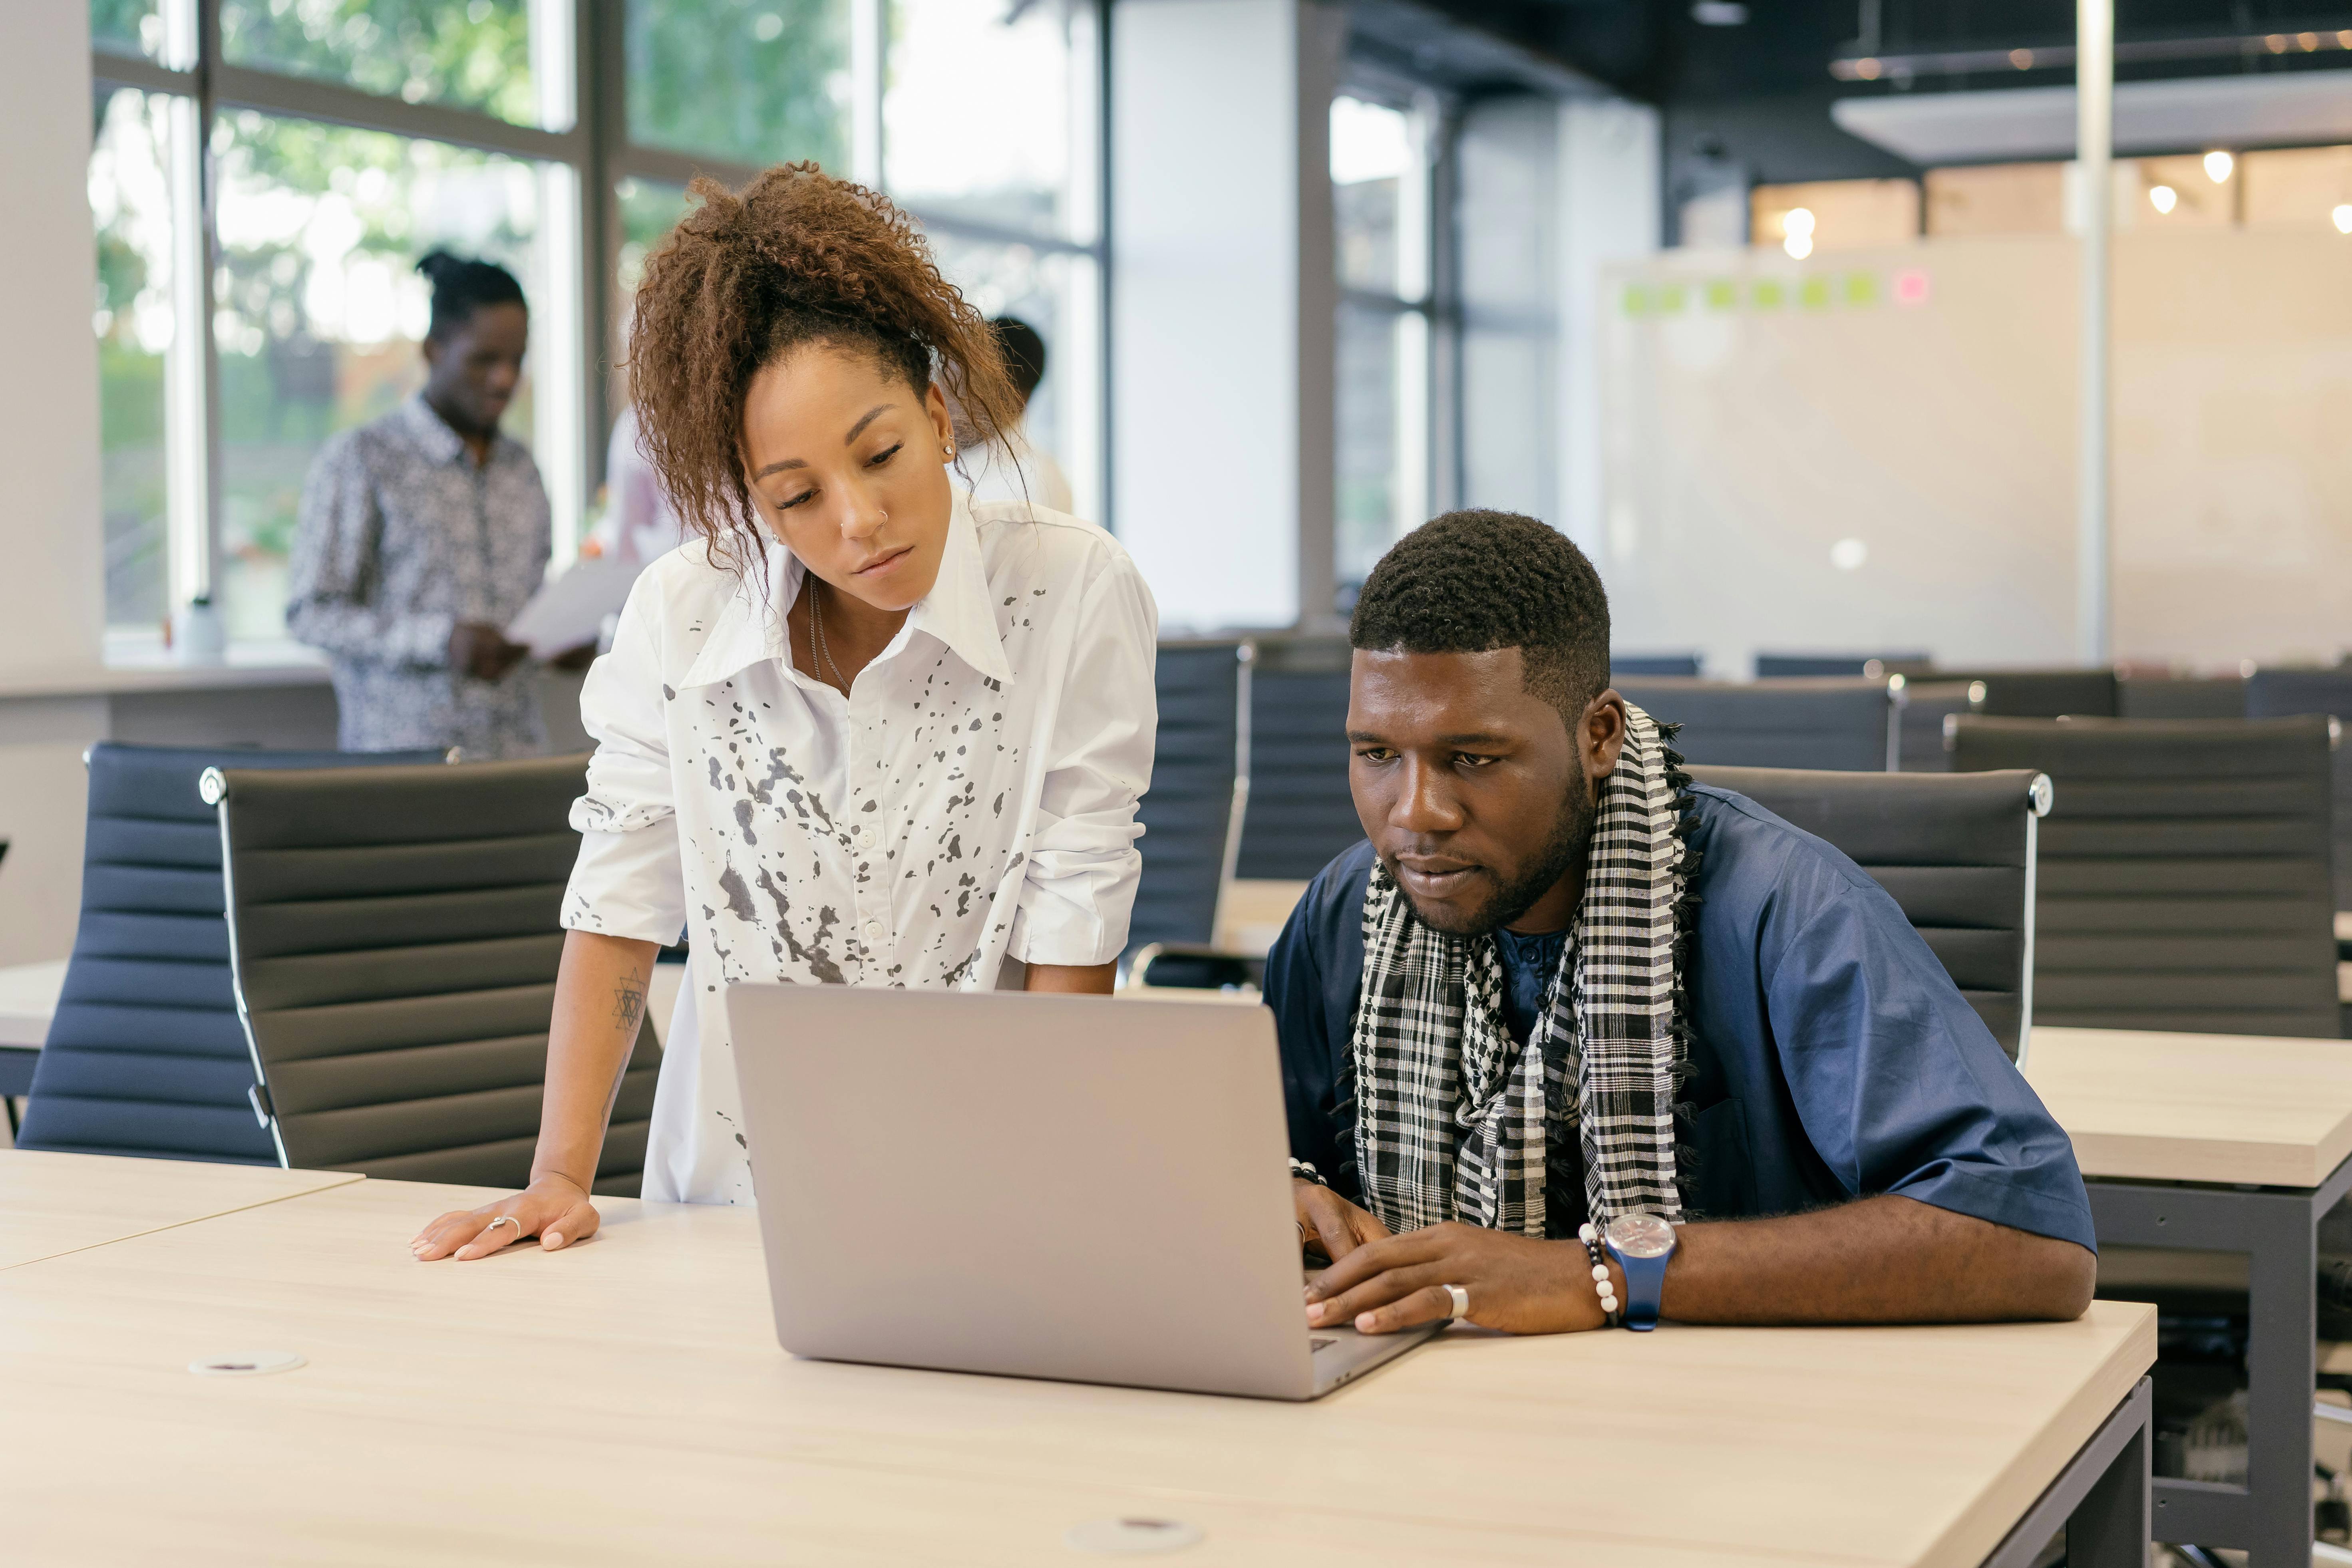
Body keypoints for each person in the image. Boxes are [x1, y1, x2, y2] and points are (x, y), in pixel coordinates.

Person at [411, 163, 1157, 1257]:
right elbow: (618, 905)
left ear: (939, 415)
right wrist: (559, 1174)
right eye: (796, 495)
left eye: (882, 453)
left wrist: (1038, 1206)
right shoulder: (681, 612)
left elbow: (1073, 919)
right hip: (721, 1222)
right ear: (744, 500)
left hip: (986, 1212)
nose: (860, 520)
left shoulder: (1070, 589)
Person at [1270, 510, 2097, 1337]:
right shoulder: (1348, 915)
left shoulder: (1787, 908)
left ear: (1598, 736)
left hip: (1736, 1433)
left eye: (1474, 758)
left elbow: (2034, 1237)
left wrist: (1602, 1273)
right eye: (1377, 753)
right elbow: (1240, 1166)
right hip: (1421, 1419)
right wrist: (1278, 1197)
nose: (1416, 813)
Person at [287, 251, 563, 759]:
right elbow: (311, 611)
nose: (505, 380)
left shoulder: (523, 469)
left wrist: (563, 638)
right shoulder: (363, 460)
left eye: (516, 360)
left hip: (518, 762)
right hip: (406, 771)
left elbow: (529, 604)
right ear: (433, 351)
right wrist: (440, 640)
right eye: (484, 360)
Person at [961, 316, 1073, 514]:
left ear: (1016, 399)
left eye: (972, 381)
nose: (951, 392)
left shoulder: (1034, 483)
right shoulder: (950, 455)